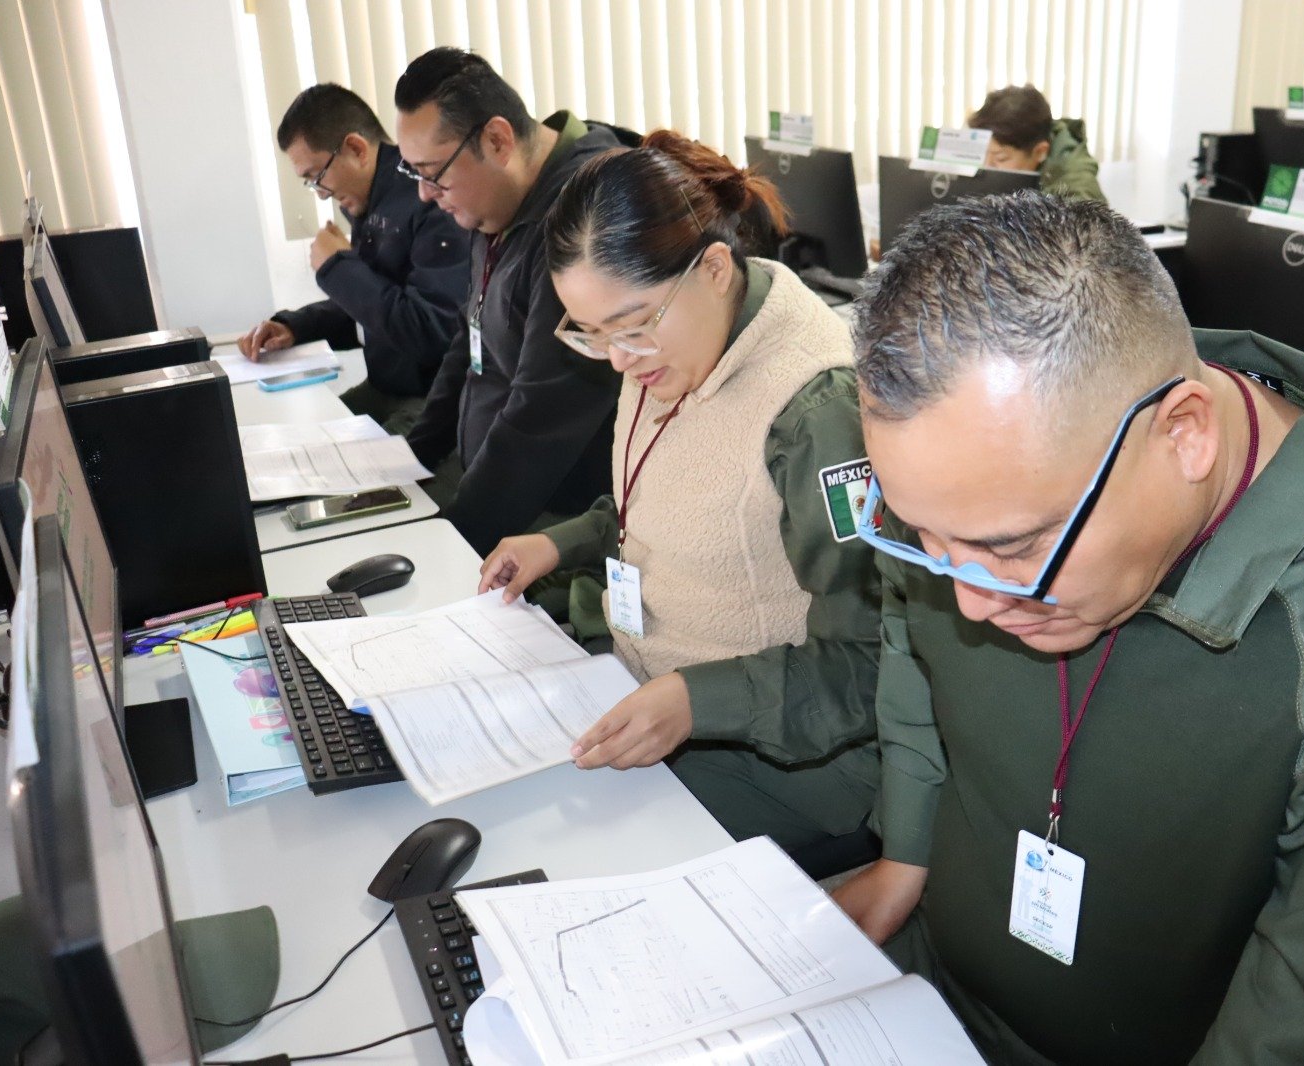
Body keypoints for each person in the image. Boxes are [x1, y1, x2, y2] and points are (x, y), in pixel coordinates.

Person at [834, 190, 1304, 1063]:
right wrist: (908, 850)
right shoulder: (983, 484)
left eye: (1015, 548)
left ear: (1186, 434)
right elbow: (907, 639)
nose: (967, 598)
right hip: (930, 994)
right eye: (921, 536)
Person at [476, 132, 880, 855]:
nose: (617, 360)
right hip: (650, 683)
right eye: (591, 334)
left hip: (784, 758)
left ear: (715, 269)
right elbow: (673, 499)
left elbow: (868, 661)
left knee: (565, 841)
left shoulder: (817, 413)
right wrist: (559, 542)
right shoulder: (674, 347)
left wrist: (699, 700)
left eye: (631, 327)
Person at [394, 48, 627, 552]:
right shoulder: (499, 200)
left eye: (433, 173)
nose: (425, 195)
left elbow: (542, 417)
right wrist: (408, 464)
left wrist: (455, 547)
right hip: (491, 486)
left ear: (497, 140)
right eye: (415, 174)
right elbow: (470, 336)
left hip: (556, 519)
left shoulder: (584, 220)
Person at [239, 84, 469, 432]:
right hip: (385, 387)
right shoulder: (369, 198)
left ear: (356, 149)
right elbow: (372, 305)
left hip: (433, 399)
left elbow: (429, 331)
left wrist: (337, 268)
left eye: (317, 176)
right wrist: (295, 326)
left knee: (332, 462)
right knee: (300, 435)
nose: (321, 195)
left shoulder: (428, 199)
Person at [969, 84, 1106, 203]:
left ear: (1040, 152)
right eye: (984, 153)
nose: (987, 165)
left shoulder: (1077, 185)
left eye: (1001, 158)